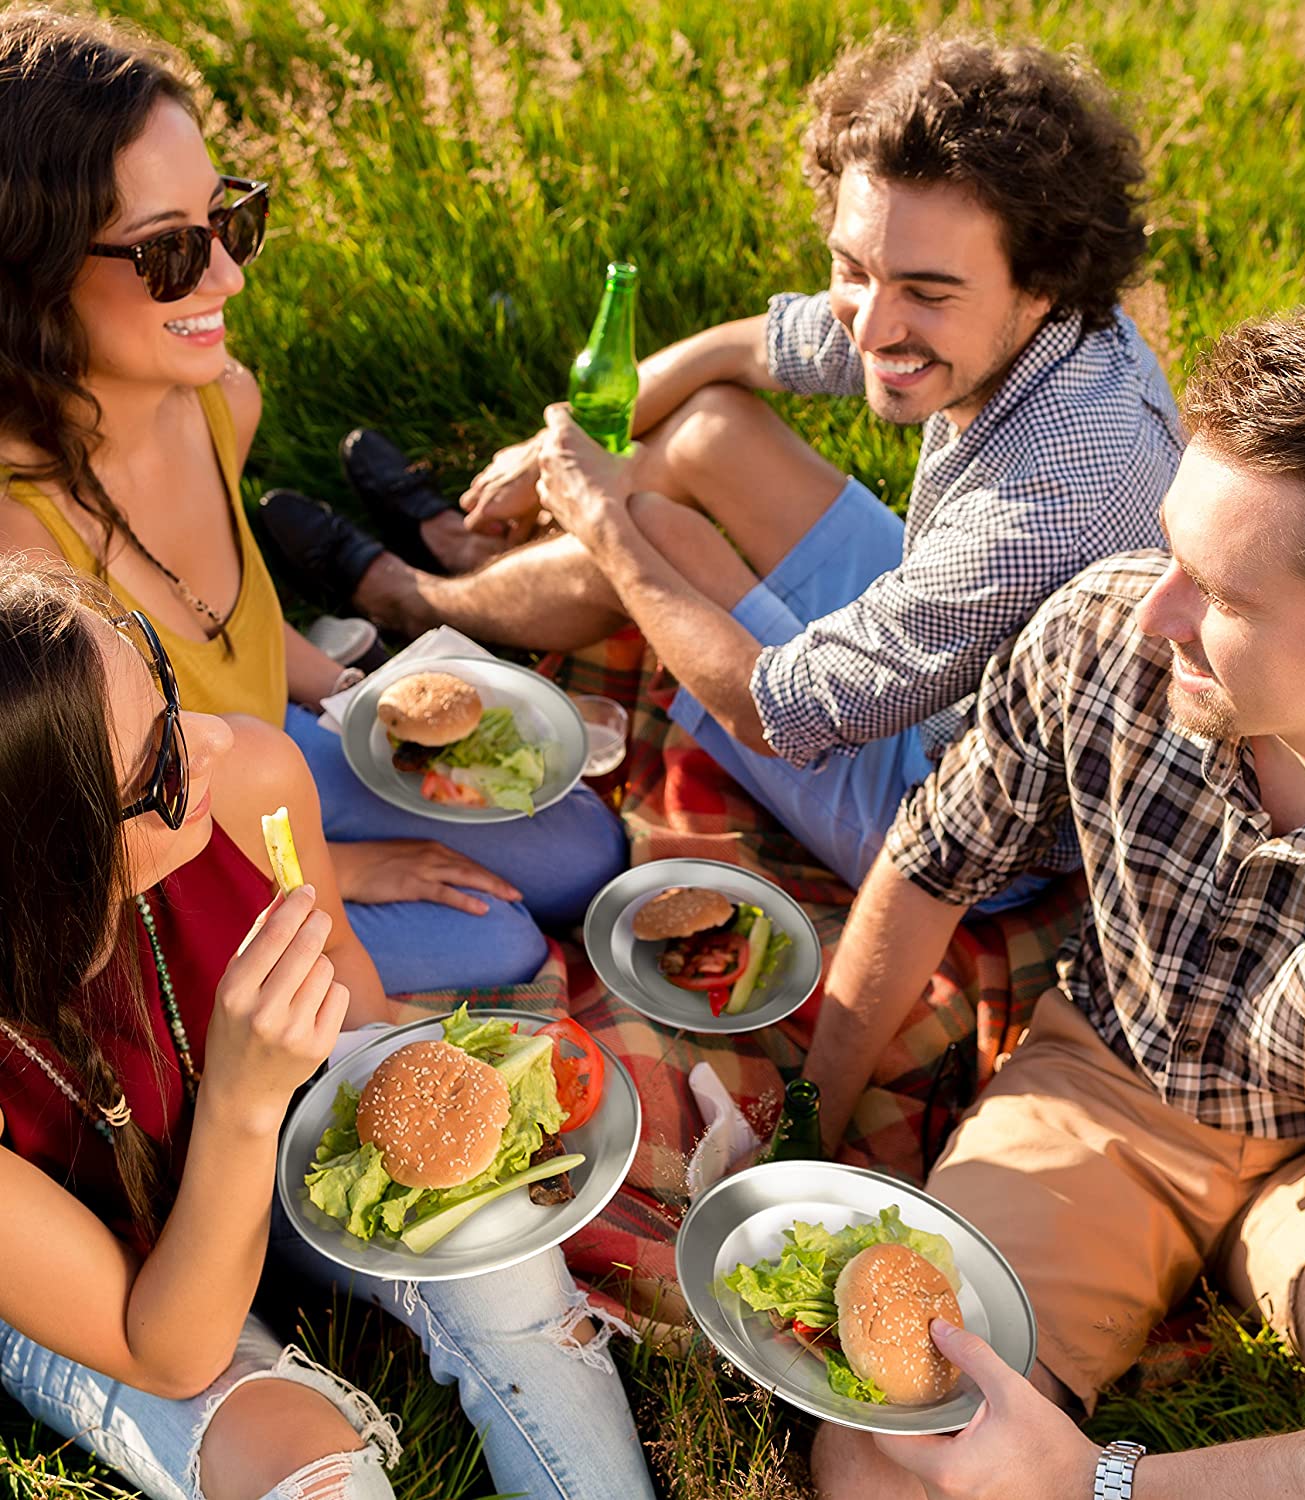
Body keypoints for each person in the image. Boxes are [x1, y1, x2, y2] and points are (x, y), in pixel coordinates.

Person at [798, 296, 1305, 1499]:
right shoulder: (1102, 629)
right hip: (1103, 1087)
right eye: (1170, 545)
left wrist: (1099, 1485)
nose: (1152, 608)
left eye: (1222, 596)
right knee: (880, 1456)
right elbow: (935, 862)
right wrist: (804, 1126)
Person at [264, 31, 1181, 893]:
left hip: (957, 822)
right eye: (854, 268)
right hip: (959, 649)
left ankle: (405, 596)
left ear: (1042, 280)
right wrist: (552, 449)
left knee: (657, 540)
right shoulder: (1036, 322)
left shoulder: (1053, 498)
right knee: (708, 430)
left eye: (925, 293)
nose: (874, 321)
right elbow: (746, 352)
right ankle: (474, 557)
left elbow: (774, 712)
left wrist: (608, 527)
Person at [0, 5, 625, 996]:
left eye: (229, 218)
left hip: (275, 766)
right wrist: (338, 875)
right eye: (169, 251)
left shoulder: (216, 398)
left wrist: (350, 698)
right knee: (508, 942)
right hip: (172, 866)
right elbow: (97, 866)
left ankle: (371, 602)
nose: (229, 274)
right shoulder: (21, 564)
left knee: (588, 851)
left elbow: (226, 618)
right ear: (30, 273)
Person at [0, 556, 655, 1500]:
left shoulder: (248, 779)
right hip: (105, 1284)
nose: (218, 739)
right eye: (164, 765)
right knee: (306, 1468)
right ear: (55, 871)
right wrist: (241, 1097)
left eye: (169, 694)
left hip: (264, 1138)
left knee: (509, 1277)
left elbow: (347, 972)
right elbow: (170, 1352)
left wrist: (404, 1091)